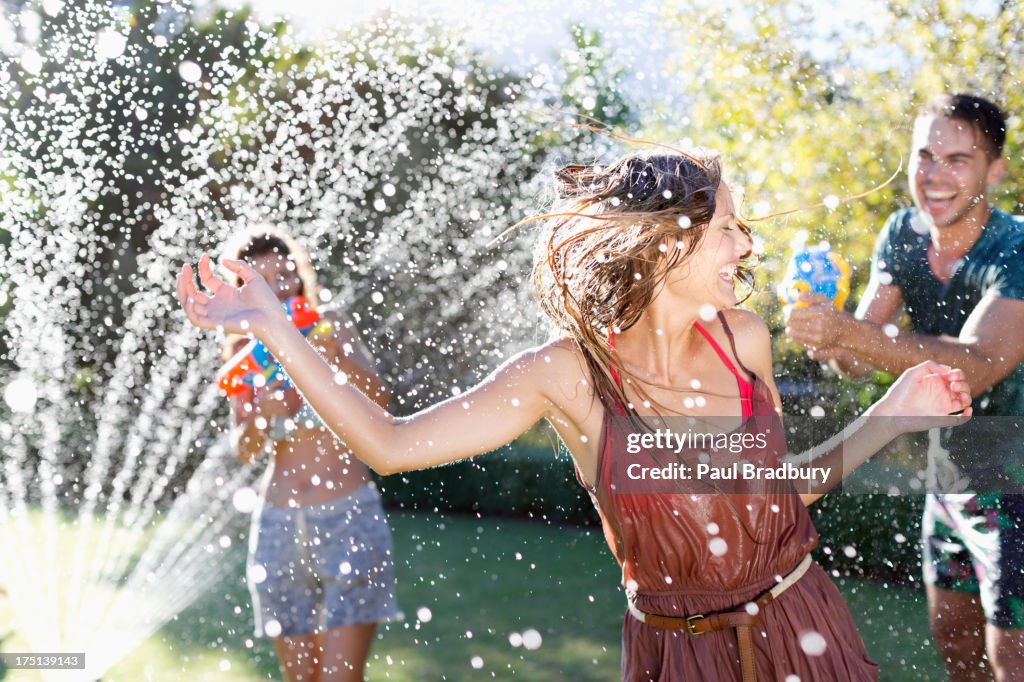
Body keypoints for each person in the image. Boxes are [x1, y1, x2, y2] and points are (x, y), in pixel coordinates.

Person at [180, 152, 971, 681]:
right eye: (727, 227)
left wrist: (895, 414)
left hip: (806, 625)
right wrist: (274, 327)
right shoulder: (566, 375)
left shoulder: (745, 341)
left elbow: (776, 493)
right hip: (680, 653)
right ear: (664, 245)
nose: (746, 245)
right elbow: (388, 444)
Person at [785, 93, 1024, 681]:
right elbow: (858, 362)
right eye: (925, 156)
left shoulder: (1016, 248)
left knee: (1011, 661)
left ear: (995, 170)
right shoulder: (901, 233)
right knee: (958, 650)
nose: (934, 176)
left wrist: (851, 335)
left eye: (957, 160)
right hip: (949, 479)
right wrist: (827, 328)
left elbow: (981, 365)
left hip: (1019, 487)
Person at [221, 226, 400, 682]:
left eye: (285, 276)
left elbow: (382, 403)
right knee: (301, 678)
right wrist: (262, 414)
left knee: (341, 678)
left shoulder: (328, 326)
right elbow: (243, 450)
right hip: (278, 525)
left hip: (348, 516)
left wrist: (334, 359)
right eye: (265, 280)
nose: (280, 287)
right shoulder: (246, 352)